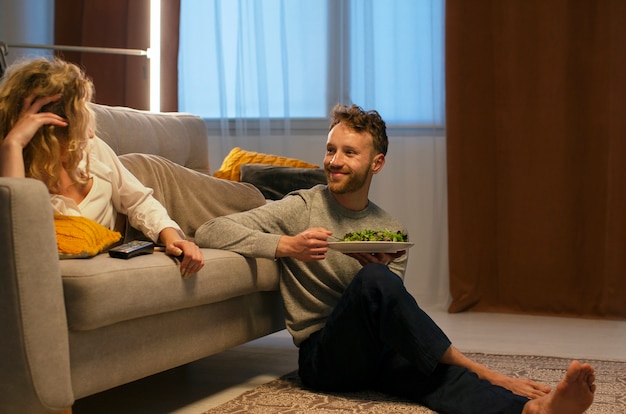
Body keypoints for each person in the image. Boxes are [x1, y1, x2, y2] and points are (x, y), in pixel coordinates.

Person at [195, 104, 596, 414]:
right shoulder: (302, 206)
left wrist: (376, 271)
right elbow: (211, 230)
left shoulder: (388, 228)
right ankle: (487, 371)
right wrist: (287, 246)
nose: (334, 161)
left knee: (433, 374)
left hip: (375, 350)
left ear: (376, 163)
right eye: (331, 149)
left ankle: (530, 409)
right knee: (376, 284)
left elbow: (394, 312)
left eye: (349, 153)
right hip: (323, 358)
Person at [0, 57, 204, 278]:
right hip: (136, 234)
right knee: (218, 229)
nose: (90, 131)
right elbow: (17, 241)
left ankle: (245, 174)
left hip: (155, 179)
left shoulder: (91, 146)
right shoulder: (15, 171)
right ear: (50, 131)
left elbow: (139, 201)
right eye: (81, 115)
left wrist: (172, 236)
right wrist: (13, 145)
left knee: (245, 198)